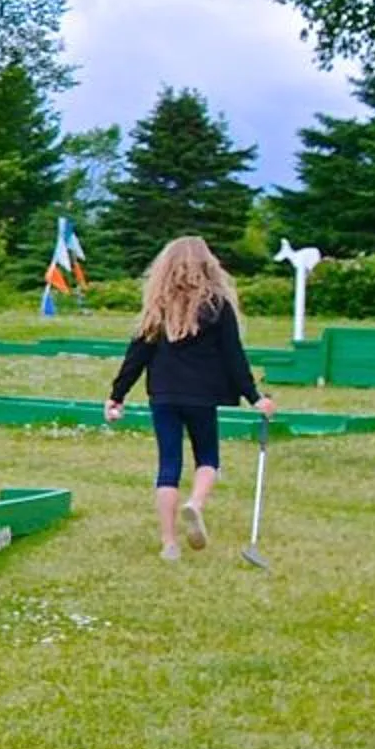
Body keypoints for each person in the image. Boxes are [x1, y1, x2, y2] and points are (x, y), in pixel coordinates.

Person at [105, 238, 271, 560]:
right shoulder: (218, 306)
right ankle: (195, 503)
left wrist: (117, 396)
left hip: (164, 395)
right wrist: (255, 397)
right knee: (208, 458)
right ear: (208, 265)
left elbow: (136, 354)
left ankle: (169, 543)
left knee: (168, 465)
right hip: (202, 396)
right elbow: (233, 356)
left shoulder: (157, 305)